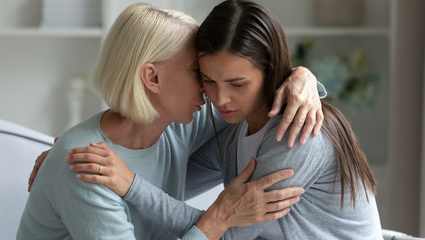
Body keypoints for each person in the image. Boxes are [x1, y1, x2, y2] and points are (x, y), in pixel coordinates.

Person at [63, 0, 383, 239]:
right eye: (208, 80)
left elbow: (223, 232)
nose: (219, 99)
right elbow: (171, 185)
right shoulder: (233, 127)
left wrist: (130, 185)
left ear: (270, 69)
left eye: (237, 84)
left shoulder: (297, 134)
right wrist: (78, 151)